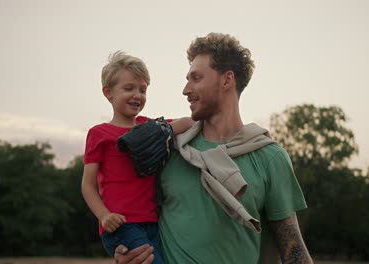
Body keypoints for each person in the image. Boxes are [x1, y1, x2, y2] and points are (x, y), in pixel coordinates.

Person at [113, 32, 313, 264]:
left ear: (227, 80)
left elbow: (294, 252)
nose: (186, 90)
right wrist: (126, 257)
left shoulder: (270, 157)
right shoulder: (170, 150)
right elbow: (140, 225)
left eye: (196, 78)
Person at [81, 51, 193, 264]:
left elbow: (187, 122)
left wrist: (170, 127)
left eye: (143, 90)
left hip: (152, 222)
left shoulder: (149, 127)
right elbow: (87, 185)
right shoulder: (99, 133)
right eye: (129, 88)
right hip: (121, 224)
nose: (137, 95)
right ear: (108, 92)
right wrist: (104, 216)